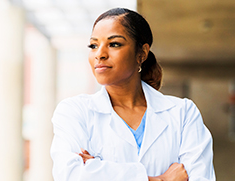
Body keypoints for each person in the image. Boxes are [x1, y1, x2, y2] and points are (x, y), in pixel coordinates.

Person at [50, 7, 215, 181]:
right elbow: (70, 175)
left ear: (141, 53)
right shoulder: (74, 112)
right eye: (93, 45)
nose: (100, 54)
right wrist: (160, 179)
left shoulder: (183, 113)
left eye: (114, 44)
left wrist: (99, 170)